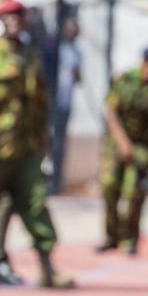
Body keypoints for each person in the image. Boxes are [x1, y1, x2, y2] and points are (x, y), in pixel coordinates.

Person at [0, 0, 73, 289]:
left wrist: (43, 138)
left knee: (36, 203)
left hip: (25, 147)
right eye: (6, 17)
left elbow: (39, 103)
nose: (13, 21)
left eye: (17, 16)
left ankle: (48, 266)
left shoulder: (31, 55)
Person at [101, 46, 148, 255]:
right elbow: (111, 112)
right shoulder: (125, 80)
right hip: (117, 141)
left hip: (143, 145)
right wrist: (122, 142)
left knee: (135, 190)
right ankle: (111, 236)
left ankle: (130, 239)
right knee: (109, 186)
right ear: (143, 63)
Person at [50, 16, 83, 193]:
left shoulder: (77, 51)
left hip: (66, 100)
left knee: (61, 139)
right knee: (50, 139)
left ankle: (57, 178)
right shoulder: (57, 49)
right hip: (51, 101)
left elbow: (78, 75)